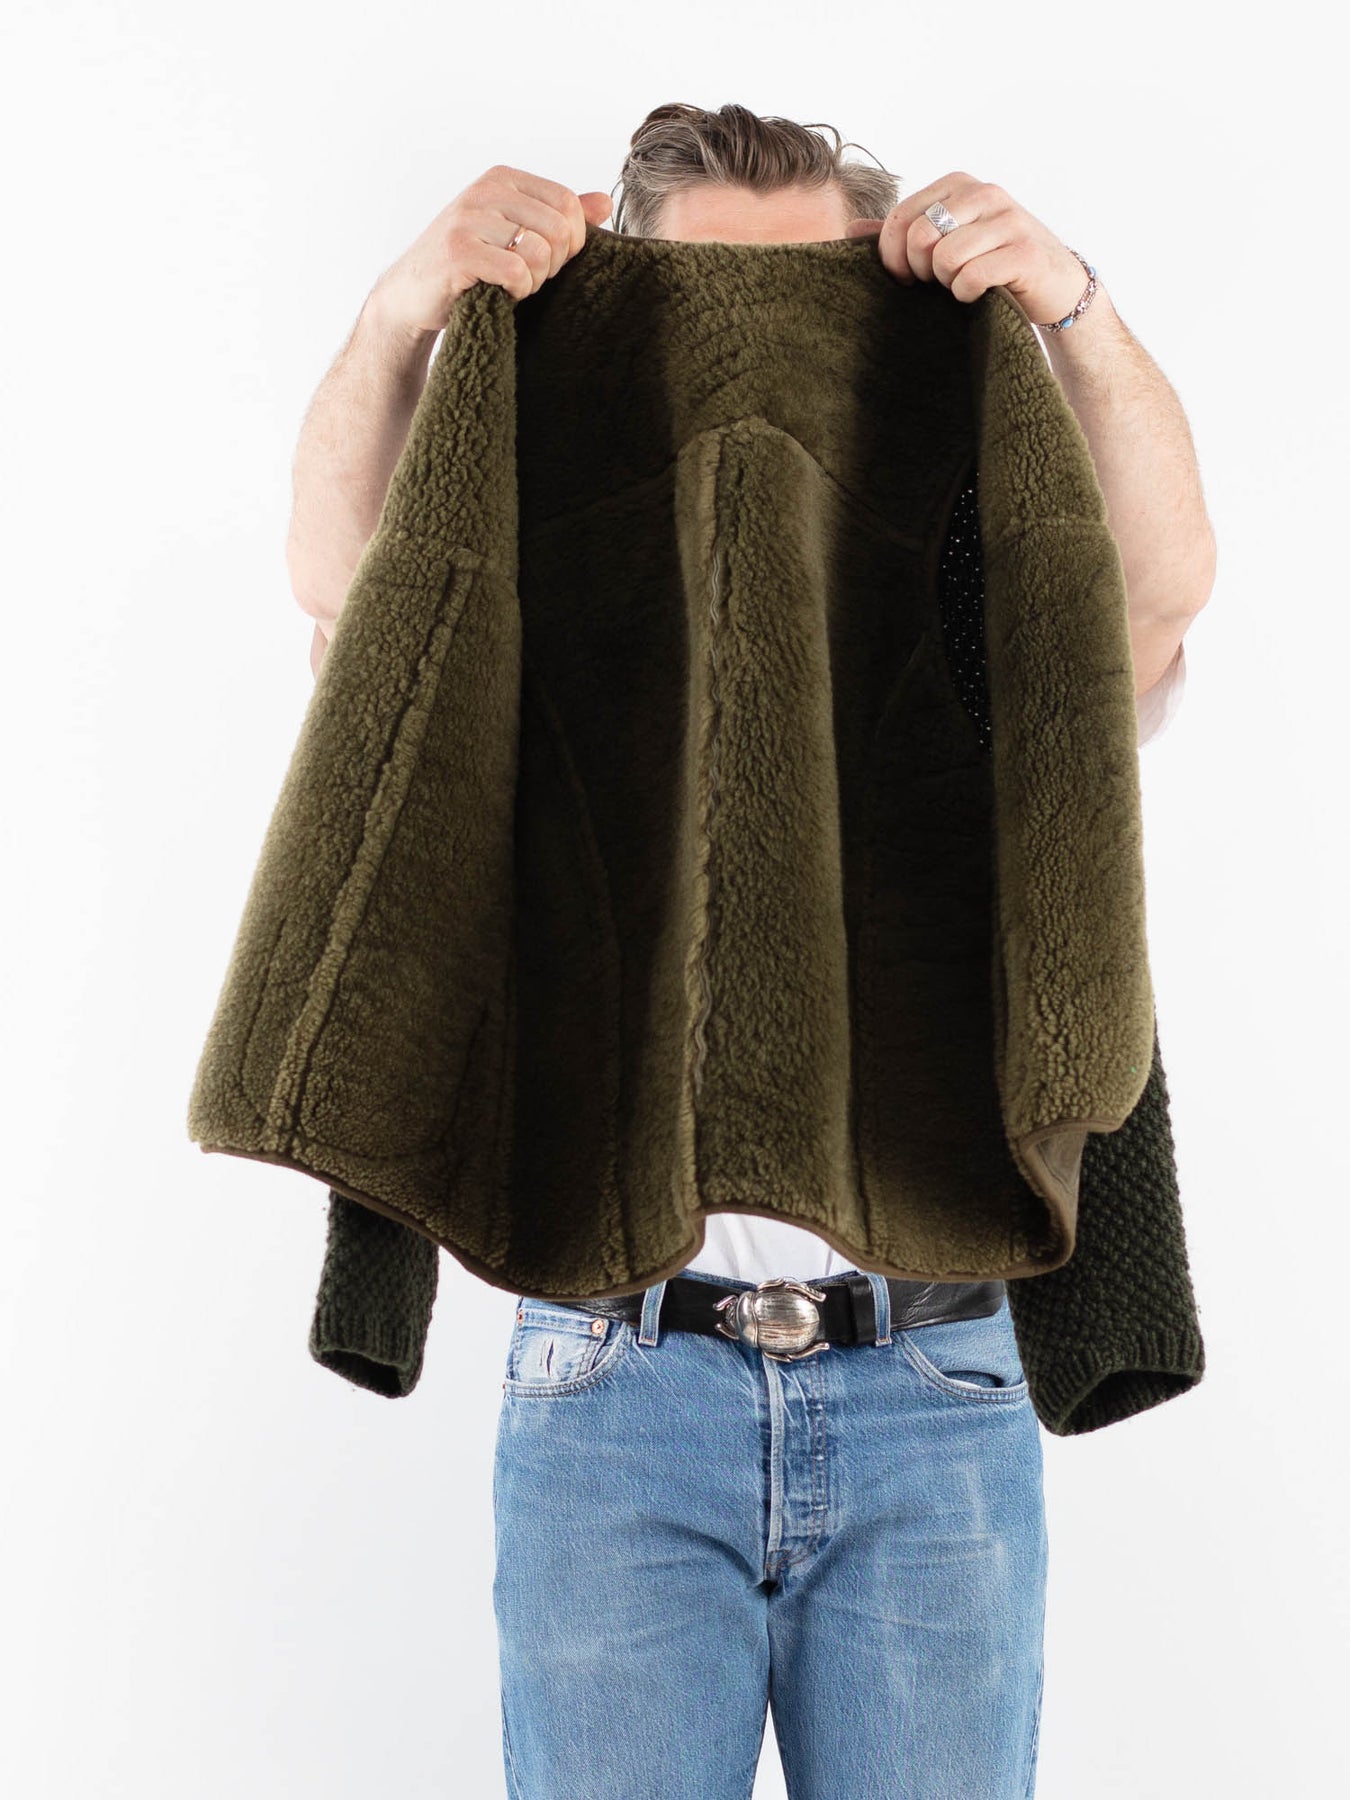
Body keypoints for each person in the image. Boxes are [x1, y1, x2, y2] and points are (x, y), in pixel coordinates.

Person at [286, 103, 1210, 1800]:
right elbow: (357, 602)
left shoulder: (952, 595)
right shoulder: (563, 578)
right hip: (613, 1380)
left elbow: (1148, 606)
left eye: (807, 312)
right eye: (696, 315)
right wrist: (406, 309)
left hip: (930, 1377)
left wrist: (1069, 306)